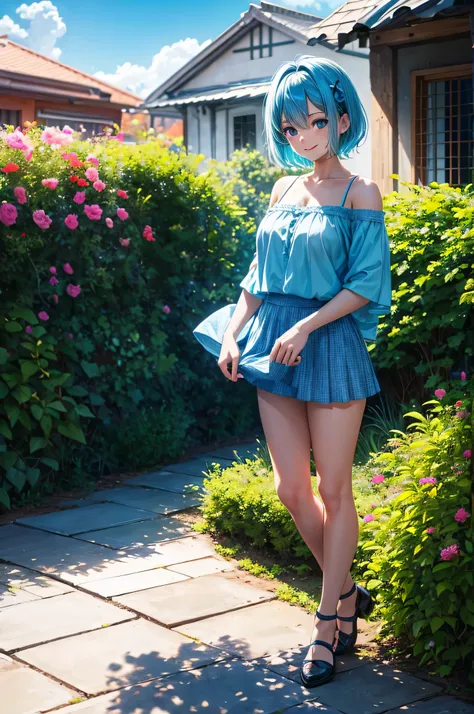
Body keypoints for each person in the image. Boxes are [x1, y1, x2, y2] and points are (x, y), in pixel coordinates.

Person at [193, 55, 392, 688]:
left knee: (335, 492)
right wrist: (232, 330)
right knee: (289, 489)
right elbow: (257, 278)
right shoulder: (282, 191)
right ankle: (349, 592)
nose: (304, 136)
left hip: (328, 347)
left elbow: (365, 285)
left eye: (313, 121)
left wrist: (306, 327)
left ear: (340, 116)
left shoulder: (360, 193)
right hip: (271, 347)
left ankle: (328, 623)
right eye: (290, 127)